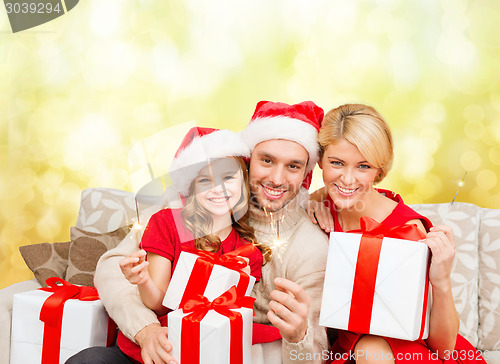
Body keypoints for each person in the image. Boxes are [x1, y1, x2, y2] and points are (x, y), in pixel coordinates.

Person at [67, 101, 330, 364]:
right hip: (159, 346)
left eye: (293, 166)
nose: (276, 178)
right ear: (247, 162)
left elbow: (316, 354)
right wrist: (145, 329)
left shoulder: (310, 247)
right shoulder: (191, 206)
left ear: (306, 173)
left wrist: (299, 336)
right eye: (267, 160)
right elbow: (112, 268)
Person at [307, 103, 486, 363]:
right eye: (337, 163)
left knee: (371, 346)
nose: (347, 179)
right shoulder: (318, 208)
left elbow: (444, 349)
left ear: (379, 169)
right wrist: (311, 198)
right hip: (347, 349)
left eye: (363, 166)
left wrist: (442, 281)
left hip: (406, 352)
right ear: (320, 160)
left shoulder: (407, 231)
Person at [118, 127, 265, 362]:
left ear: (244, 181)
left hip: (205, 351)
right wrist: (143, 280)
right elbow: (158, 304)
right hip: (159, 345)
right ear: (192, 188)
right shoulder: (167, 223)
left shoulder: (249, 253)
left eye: (228, 177)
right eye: (205, 180)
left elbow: (227, 322)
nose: (218, 188)